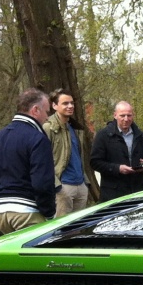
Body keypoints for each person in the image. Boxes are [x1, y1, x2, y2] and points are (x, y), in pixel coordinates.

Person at [0, 88, 57, 233]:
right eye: (47, 112)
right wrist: (49, 213)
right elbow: (42, 182)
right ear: (35, 110)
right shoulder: (37, 138)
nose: (48, 117)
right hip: (27, 210)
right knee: (38, 256)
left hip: (1, 213)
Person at [44, 88, 98, 217]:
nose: (70, 106)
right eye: (65, 103)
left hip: (80, 185)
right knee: (62, 231)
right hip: (64, 186)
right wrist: (58, 186)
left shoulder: (74, 127)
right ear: (54, 105)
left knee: (77, 230)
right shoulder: (48, 127)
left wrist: (85, 183)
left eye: (72, 103)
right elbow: (43, 160)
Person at [90, 100, 143, 201]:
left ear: (133, 116)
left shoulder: (140, 136)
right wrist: (117, 168)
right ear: (115, 115)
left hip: (137, 191)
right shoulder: (104, 136)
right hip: (113, 194)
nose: (126, 119)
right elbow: (95, 162)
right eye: (122, 115)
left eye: (129, 115)